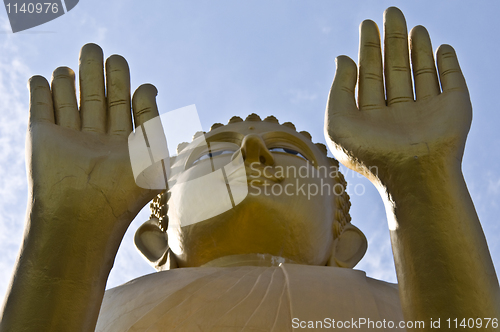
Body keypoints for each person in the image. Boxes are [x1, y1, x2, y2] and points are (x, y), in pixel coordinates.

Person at [1, 6, 499, 331]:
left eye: (289, 153)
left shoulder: (405, 310)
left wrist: (421, 185)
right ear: (157, 240)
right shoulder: (104, 314)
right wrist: (69, 232)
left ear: (344, 243)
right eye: (212, 154)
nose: (252, 155)